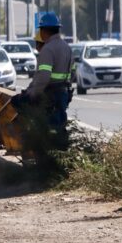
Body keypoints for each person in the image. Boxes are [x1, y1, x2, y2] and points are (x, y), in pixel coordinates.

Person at [26, 12, 72, 146]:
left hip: (50, 95)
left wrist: (32, 94)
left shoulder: (47, 49)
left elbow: (43, 77)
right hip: (63, 93)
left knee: (48, 128)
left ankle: (48, 157)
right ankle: (62, 155)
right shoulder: (67, 47)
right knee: (60, 126)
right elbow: (72, 73)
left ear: (44, 31)